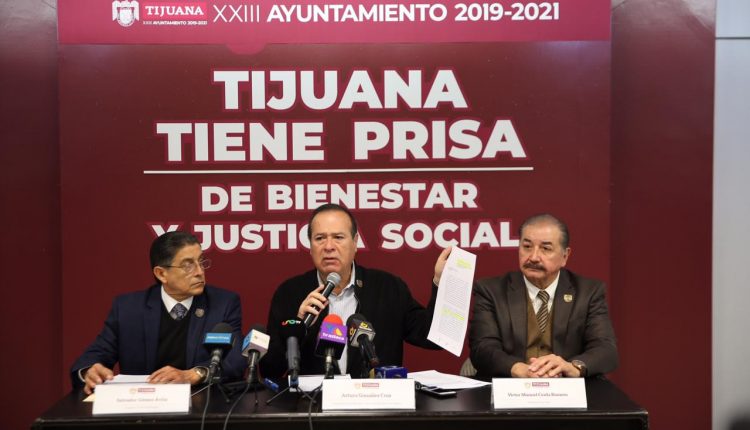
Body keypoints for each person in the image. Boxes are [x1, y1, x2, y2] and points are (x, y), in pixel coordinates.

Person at [260, 203, 450, 379]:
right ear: (310, 246)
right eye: (320, 238)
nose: (328, 247)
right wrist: (298, 327)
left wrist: (441, 282)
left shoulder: (388, 287)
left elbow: (434, 339)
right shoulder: (289, 293)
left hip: (376, 401)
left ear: (355, 242)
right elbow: (269, 370)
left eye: (338, 237)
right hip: (312, 402)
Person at [70, 231, 245, 394]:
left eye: (201, 261)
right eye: (188, 266)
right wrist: (89, 372)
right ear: (161, 274)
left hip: (201, 404)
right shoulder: (128, 309)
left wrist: (195, 374)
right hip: (142, 406)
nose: (200, 272)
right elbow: (93, 357)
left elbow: (236, 360)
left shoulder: (223, 303)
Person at [469, 213, 618, 378]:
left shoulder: (588, 292)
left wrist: (572, 367)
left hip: (567, 387)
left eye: (545, 249)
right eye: (527, 246)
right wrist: (519, 369)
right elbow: (482, 348)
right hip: (510, 386)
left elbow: (606, 349)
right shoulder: (491, 291)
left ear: (565, 256)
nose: (533, 257)